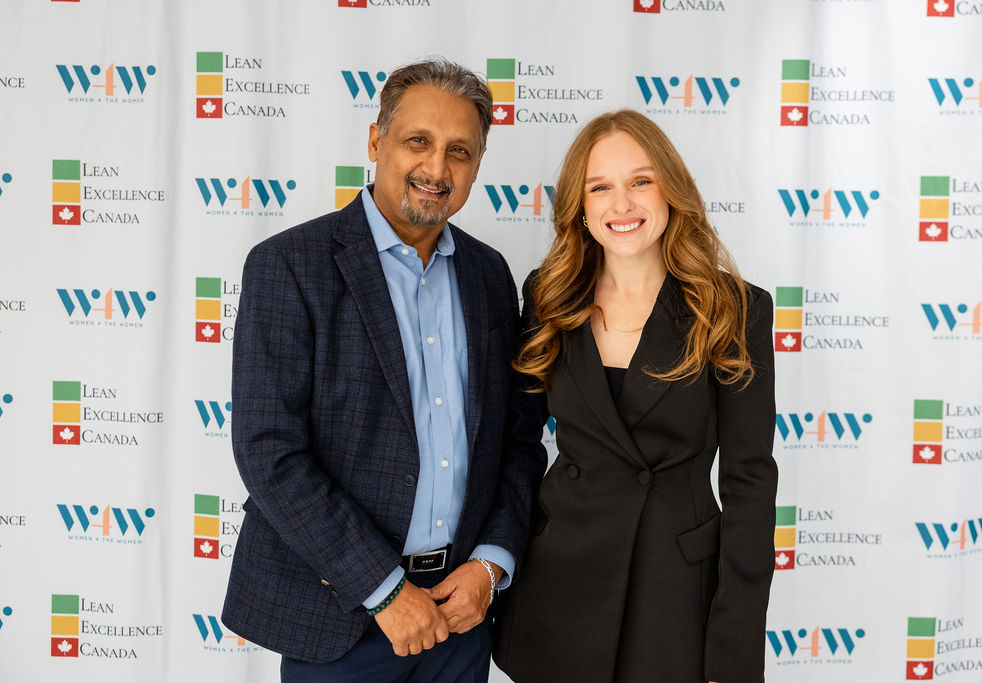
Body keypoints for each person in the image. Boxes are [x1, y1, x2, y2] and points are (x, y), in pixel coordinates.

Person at [221, 58, 547, 683]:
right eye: (417, 141)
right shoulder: (289, 265)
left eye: (459, 151)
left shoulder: (489, 275)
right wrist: (384, 590)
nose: (437, 169)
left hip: (461, 615)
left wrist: (491, 563)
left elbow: (518, 440)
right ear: (376, 141)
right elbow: (268, 452)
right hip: (342, 614)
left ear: (478, 164)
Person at [492, 110, 778, 683]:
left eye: (640, 181)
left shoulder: (734, 308)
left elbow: (749, 483)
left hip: (673, 594)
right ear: (580, 205)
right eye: (600, 187)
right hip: (560, 582)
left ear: (671, 189)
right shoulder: (547, 296)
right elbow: (516, 443)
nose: (621, 204)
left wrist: (734, 646)